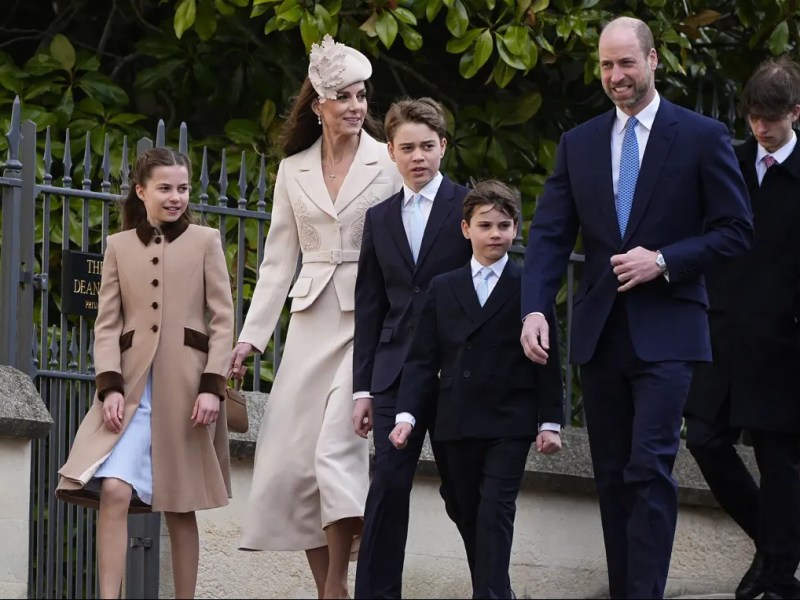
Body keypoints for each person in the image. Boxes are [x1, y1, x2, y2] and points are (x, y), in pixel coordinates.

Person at [519, 16, 753, 599]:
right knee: (612, 477)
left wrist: (664, 260)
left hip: (670, 330)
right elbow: (549, 235)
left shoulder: (701, 136)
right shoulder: (579, 143)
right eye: (606, 65)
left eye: (626, 62)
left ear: (652, 61)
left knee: (649, 468)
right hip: (602, 334)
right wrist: (535, 308)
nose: (615, 75)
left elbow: (735, 230)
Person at [228, 35, 401, 600]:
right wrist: (250, 340)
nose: (356, 106)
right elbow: (278, 261)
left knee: (335, 450)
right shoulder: (292, 170)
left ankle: (336, 586)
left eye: (362, 95)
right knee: (295, 462)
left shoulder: (388, 160)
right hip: (309, 321)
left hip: (367, 320)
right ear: (318, 104)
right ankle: (331, 587)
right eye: (344, 96)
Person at [56, 147, 235, 599]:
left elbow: (222, 319)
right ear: (141, 191)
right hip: (132, 389)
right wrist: (109, 386)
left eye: (183, 188)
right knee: (114, 490)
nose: (176, 197)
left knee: (180, 504)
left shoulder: (206, 241)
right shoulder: (118, 246)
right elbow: (107, 325)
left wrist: (212, 386)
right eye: (165, 188)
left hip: (186, 390)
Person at [388, 180, 565, 599]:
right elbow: (422, 359)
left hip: (510, 420)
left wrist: (550, 422)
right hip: (456, 419)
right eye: (485, 225)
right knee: (464, 508)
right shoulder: (443, 287)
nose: (495, 234)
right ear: (466, 229)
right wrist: (406, 415)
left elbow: (548, 356)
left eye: (504, 225)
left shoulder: (530, 287)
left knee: (495, 511)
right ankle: (497, 590)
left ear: (516, 229)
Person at [684, 56, 800, 600]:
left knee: (780, 461)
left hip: (785, 340)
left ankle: (777, 577)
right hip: (723, 333)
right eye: (752, 117)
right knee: (705, 440)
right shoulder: (729, 164)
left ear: (795, 113)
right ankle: (775, 547)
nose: (760, 128)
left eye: (770, 119)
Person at [351, 97, 472, 599]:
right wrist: (362, 389)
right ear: (391, 152)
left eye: (426, 146)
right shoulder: (379, 218)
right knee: (387, 485)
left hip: (455, 374)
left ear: (443, 146)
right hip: (393, 374)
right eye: (407, 148)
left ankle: (492, 588)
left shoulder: (469, 209)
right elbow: (369, 307)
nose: (417, 156)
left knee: (463, 492)